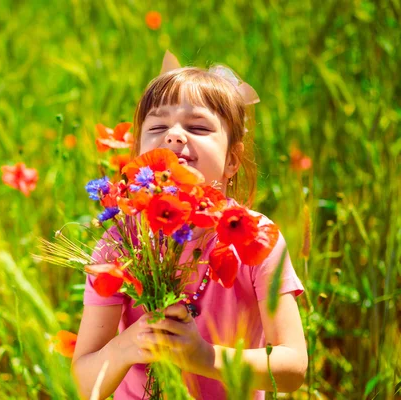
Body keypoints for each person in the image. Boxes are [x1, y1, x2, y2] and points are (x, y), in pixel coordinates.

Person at [71, 51, 307, 399]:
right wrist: (125, 347)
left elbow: (293, 368)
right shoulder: (121, 241)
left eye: (198, 127)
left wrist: (203, 357)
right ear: (139, 155)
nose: (175, 136)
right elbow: (82, 381)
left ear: (232, 160)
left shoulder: (255, 238)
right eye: (157, 127)